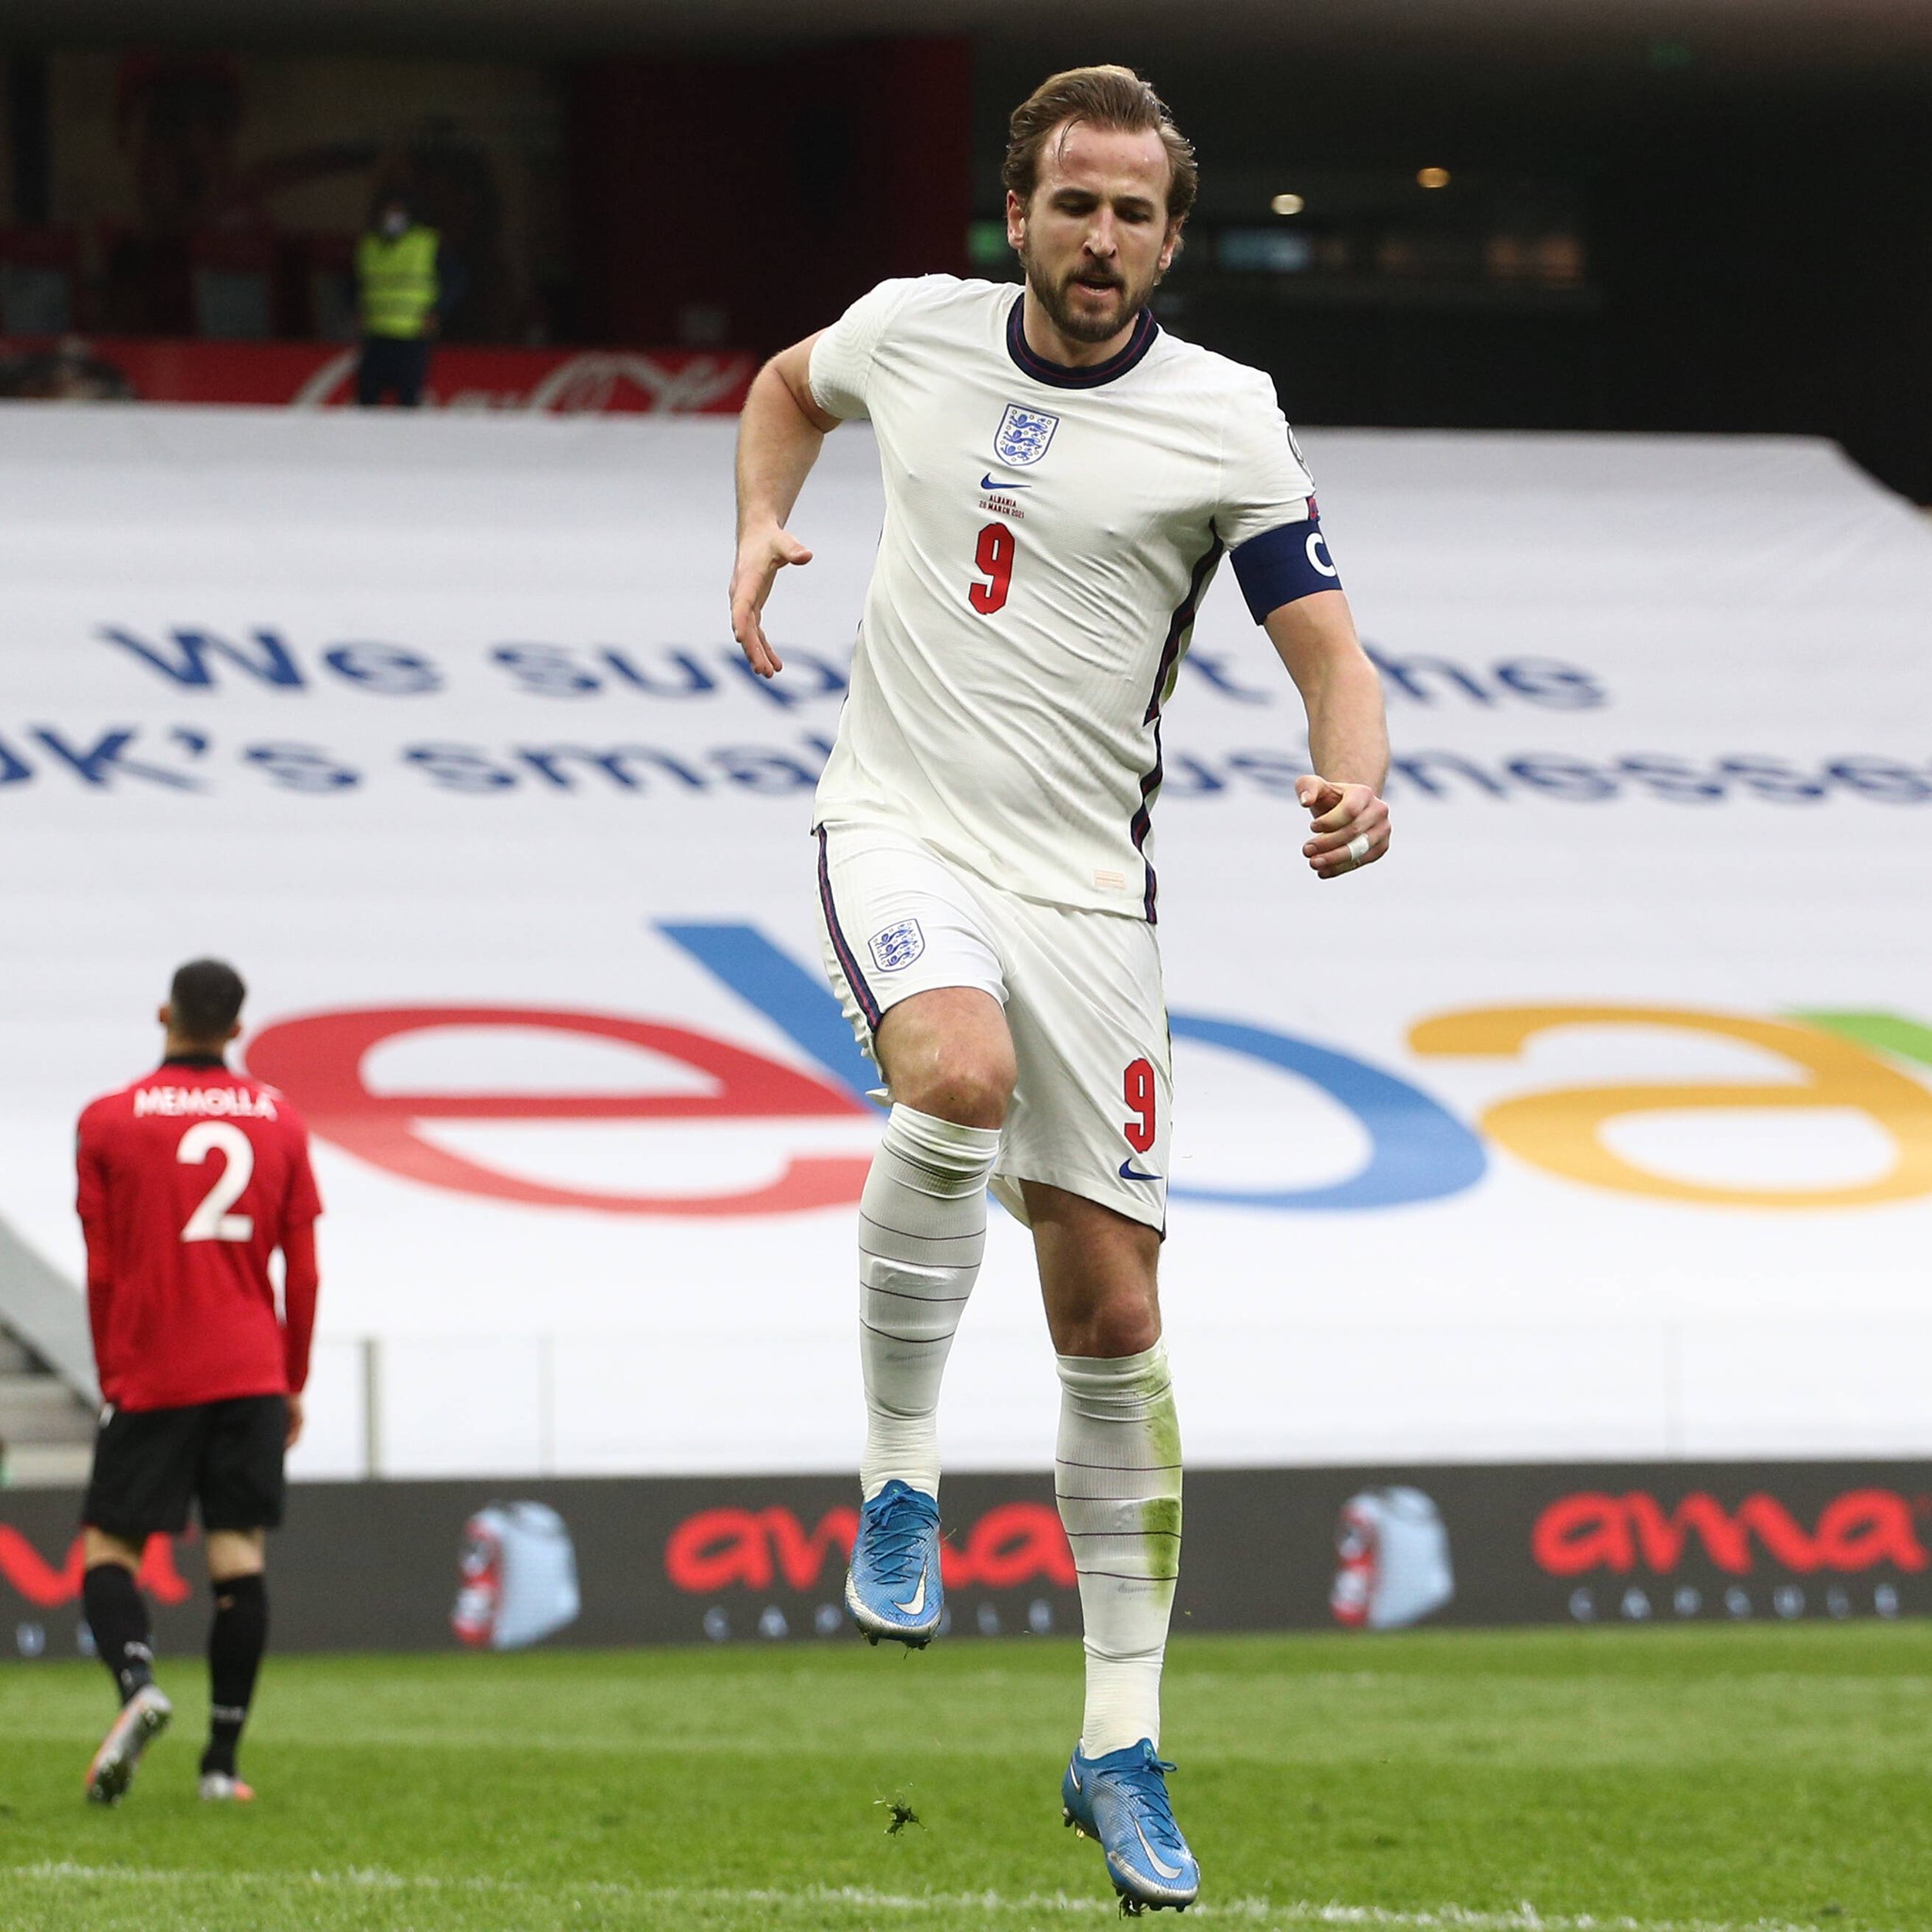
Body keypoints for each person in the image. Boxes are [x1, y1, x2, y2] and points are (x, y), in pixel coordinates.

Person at [729, 63, 1391, 1916]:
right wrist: (758, 522)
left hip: (1091, 894)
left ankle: (1116, 1744)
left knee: (1112, 1318)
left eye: (1133, 213)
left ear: (1170, 241)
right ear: (1015, 214)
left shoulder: (1224, 417)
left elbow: (1331, 653)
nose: (1100, 238)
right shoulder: (911, 332)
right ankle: (898, 1477)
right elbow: (783, 386)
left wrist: (1355, 772)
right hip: (900, 829)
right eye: (1073, 203)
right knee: (948, 1073)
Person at [74, 958, 322, 1806]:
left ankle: (138, 1684)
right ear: (238, 1029)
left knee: (111, 1549)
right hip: (251, 1368)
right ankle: (221, 1764)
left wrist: (111, 1365)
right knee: (237, 1557)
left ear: (164, 1014)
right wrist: (292, 1377)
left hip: (154, 1365)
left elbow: (102, 1264)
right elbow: (304, 1270)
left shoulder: (108, 1121)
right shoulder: (281, 1119)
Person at [355, 194, 443, 407]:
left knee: (408, 401)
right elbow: (355, 282)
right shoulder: (369, 245)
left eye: (397, 212)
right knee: (366, 398)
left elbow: (455, 279)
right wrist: (356, 309)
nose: (392, 217)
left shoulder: (426, 243)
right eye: (388, 211)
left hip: (412, 334)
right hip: (376, 334)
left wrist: (437, 311)